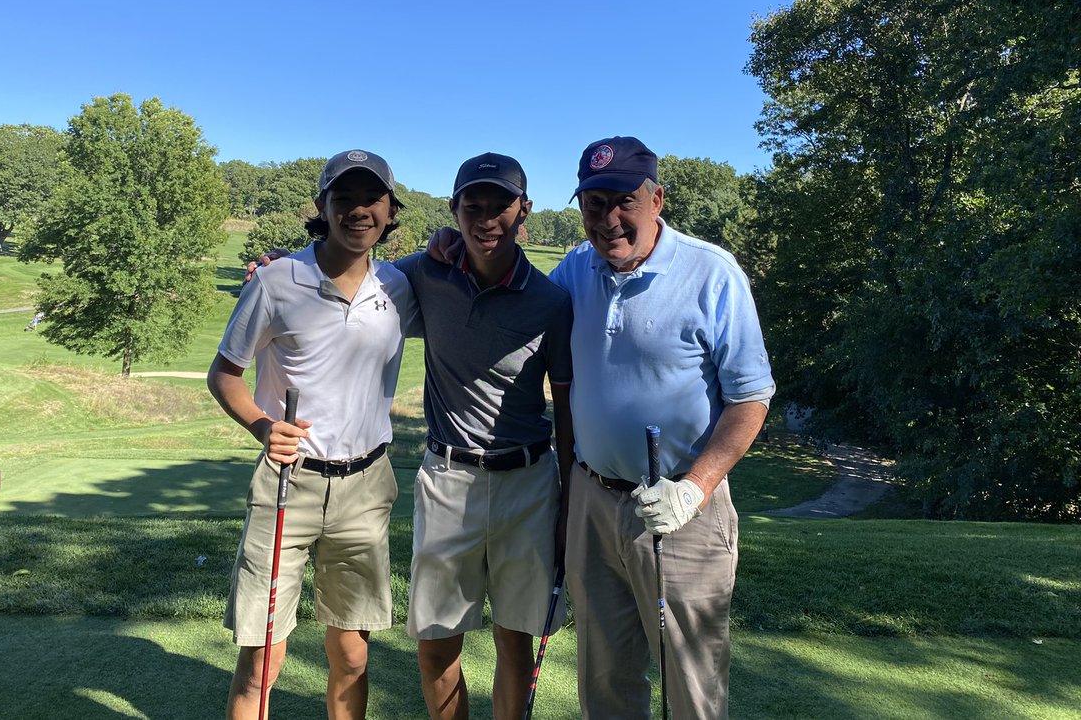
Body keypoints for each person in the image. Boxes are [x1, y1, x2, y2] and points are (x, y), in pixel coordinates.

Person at [551, 136, 775, 720]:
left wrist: (694, 488)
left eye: (623, 200)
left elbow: (751, 400)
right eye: (594, 204)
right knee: (605, 681)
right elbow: (511, 297)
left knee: (690, 688)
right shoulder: (576, 268)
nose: (609, 220)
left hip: (682, 509)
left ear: (658, 199)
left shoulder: (711, 273)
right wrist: (450, 248)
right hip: (594, 503)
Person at [207, 149, 421, 720]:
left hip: (366, 488)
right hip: (288, 484)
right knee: (262, 662)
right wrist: (261, 426)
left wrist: (448, 240)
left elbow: (461, 271)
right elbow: (224, 373)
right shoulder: (278, 281)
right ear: (322, 207)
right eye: (343, 198)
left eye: (371, 199)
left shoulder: (400, 286)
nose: (358, 210)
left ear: (390, 210)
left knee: (352, 655)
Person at [395, 153, 573, 720]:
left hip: (529, 484)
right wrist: (282, 267)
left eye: (502, 205)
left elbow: (565, 406)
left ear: (525, 211)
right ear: (455, 209)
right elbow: (348, 275)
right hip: (448, 480)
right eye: (474, 206)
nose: (487, 218)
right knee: (435, 641)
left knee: (515, 641)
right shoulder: (425, 272)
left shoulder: (551, 301)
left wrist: (569, 494)